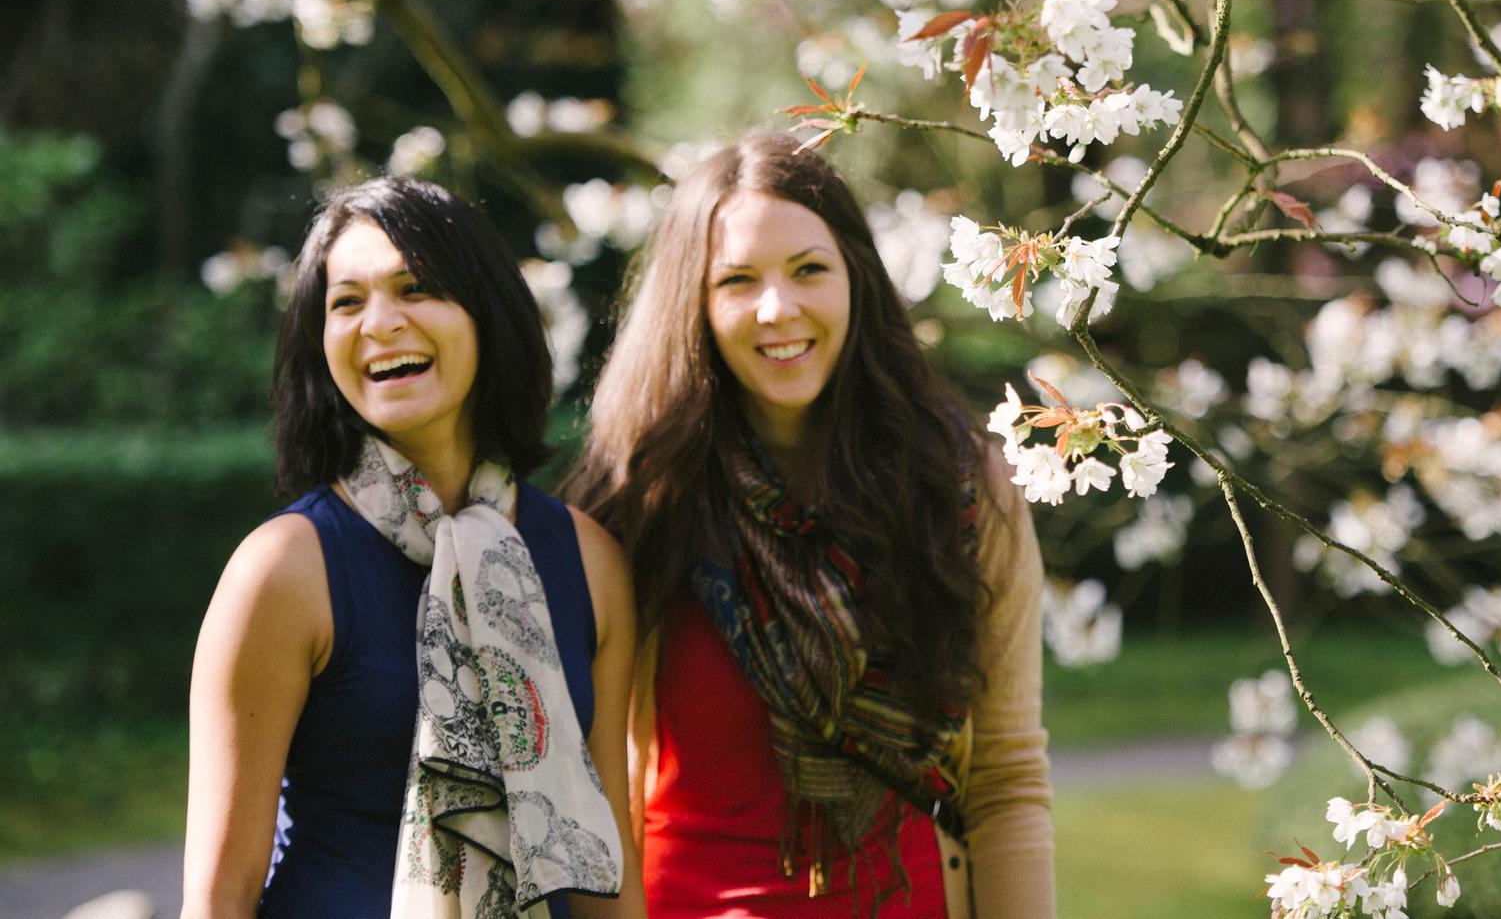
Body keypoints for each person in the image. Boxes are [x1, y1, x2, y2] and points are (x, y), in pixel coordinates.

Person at [568, 132, 1054, 919]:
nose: (777, 309)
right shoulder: (640, 505)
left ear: (856, 278)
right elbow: (606, 789)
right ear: (693, 302)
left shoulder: (961, 492)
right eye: (737, 280)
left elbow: (1006, 779)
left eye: (809, 271)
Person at [182, 177, 643, 919]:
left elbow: (607, 874)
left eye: (415, 287)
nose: (380, 323)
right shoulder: (285, 571)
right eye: (346, 302)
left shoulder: (588, 562)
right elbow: (218, 901)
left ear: (486, 312)